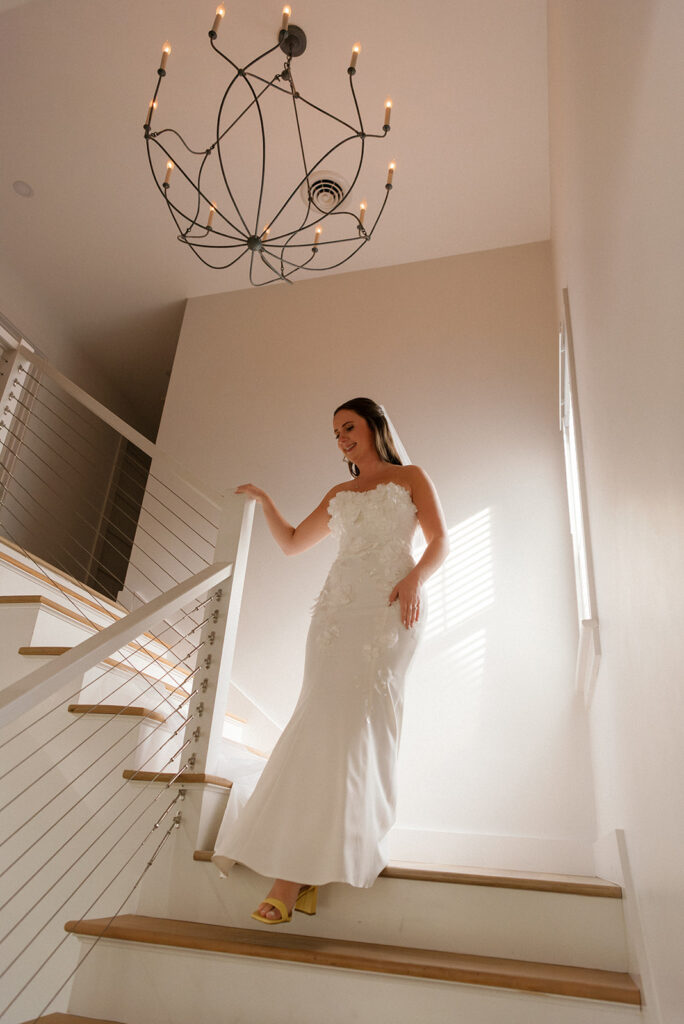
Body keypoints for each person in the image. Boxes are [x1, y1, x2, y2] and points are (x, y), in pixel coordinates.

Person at [212, 398, 449, 923]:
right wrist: (268, 502)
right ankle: (309, 868)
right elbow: (295, 543)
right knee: (320, 723)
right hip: (336, 614)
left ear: (374, 427)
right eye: (335, 432)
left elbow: (440, 542)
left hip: (389, 608)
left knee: (356, 728)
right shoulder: (339, 493)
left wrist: (413, 578)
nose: (341, 437)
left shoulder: (411, 476)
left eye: (349, 427)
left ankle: (290, 879)